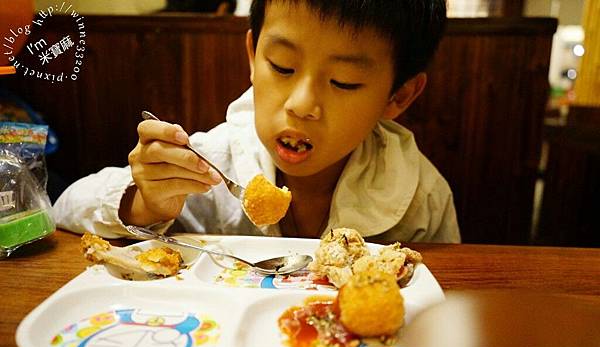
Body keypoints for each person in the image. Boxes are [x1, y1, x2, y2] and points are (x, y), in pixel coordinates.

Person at [53, 0, 461, 243]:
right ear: (252, 55)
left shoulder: (418, 197)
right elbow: (64, 210)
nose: (302, 106)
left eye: (344, 82)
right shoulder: (211, 163)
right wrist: (144, 203)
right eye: (283, 67)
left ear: (399, 96)